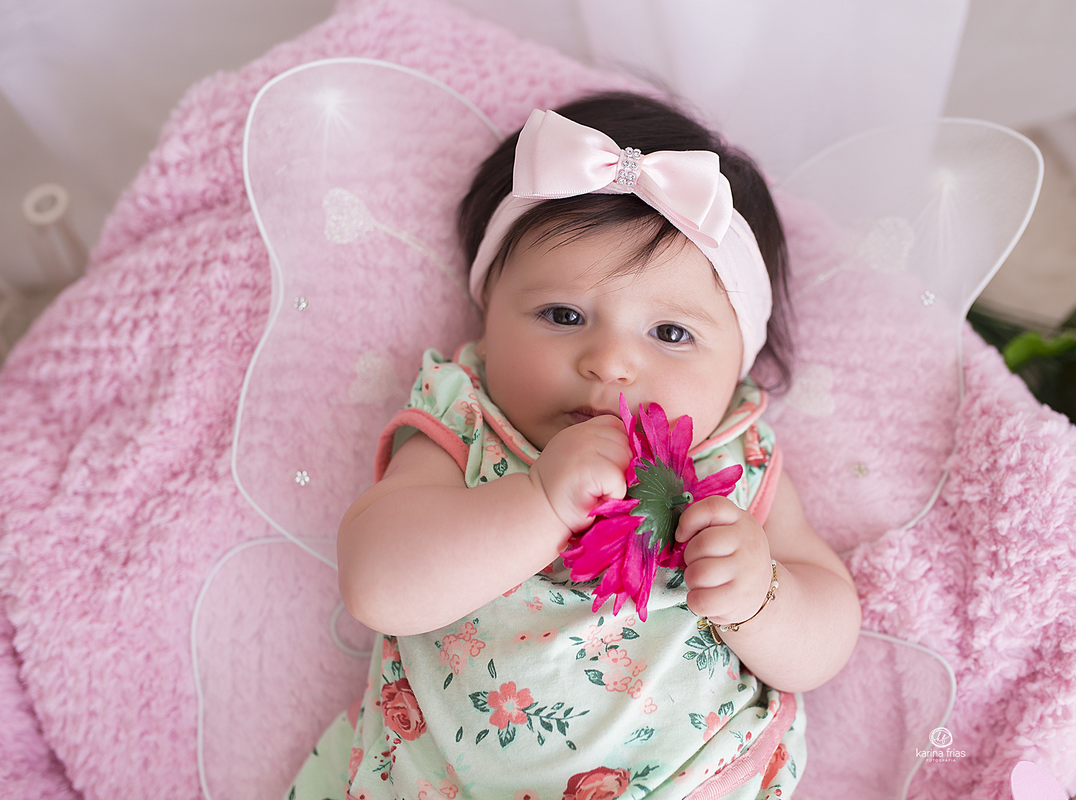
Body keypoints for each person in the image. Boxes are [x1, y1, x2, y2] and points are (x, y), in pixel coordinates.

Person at [287, 92, 860, 800]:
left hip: (693, 779)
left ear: (738, 362)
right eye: (563, 315)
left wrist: (761, 596)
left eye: (671, 333)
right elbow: (376, 582)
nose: (610, 362)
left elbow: (828, 635)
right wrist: (536, 499)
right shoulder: (468, 423)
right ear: (486, 319)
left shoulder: (732, 459)